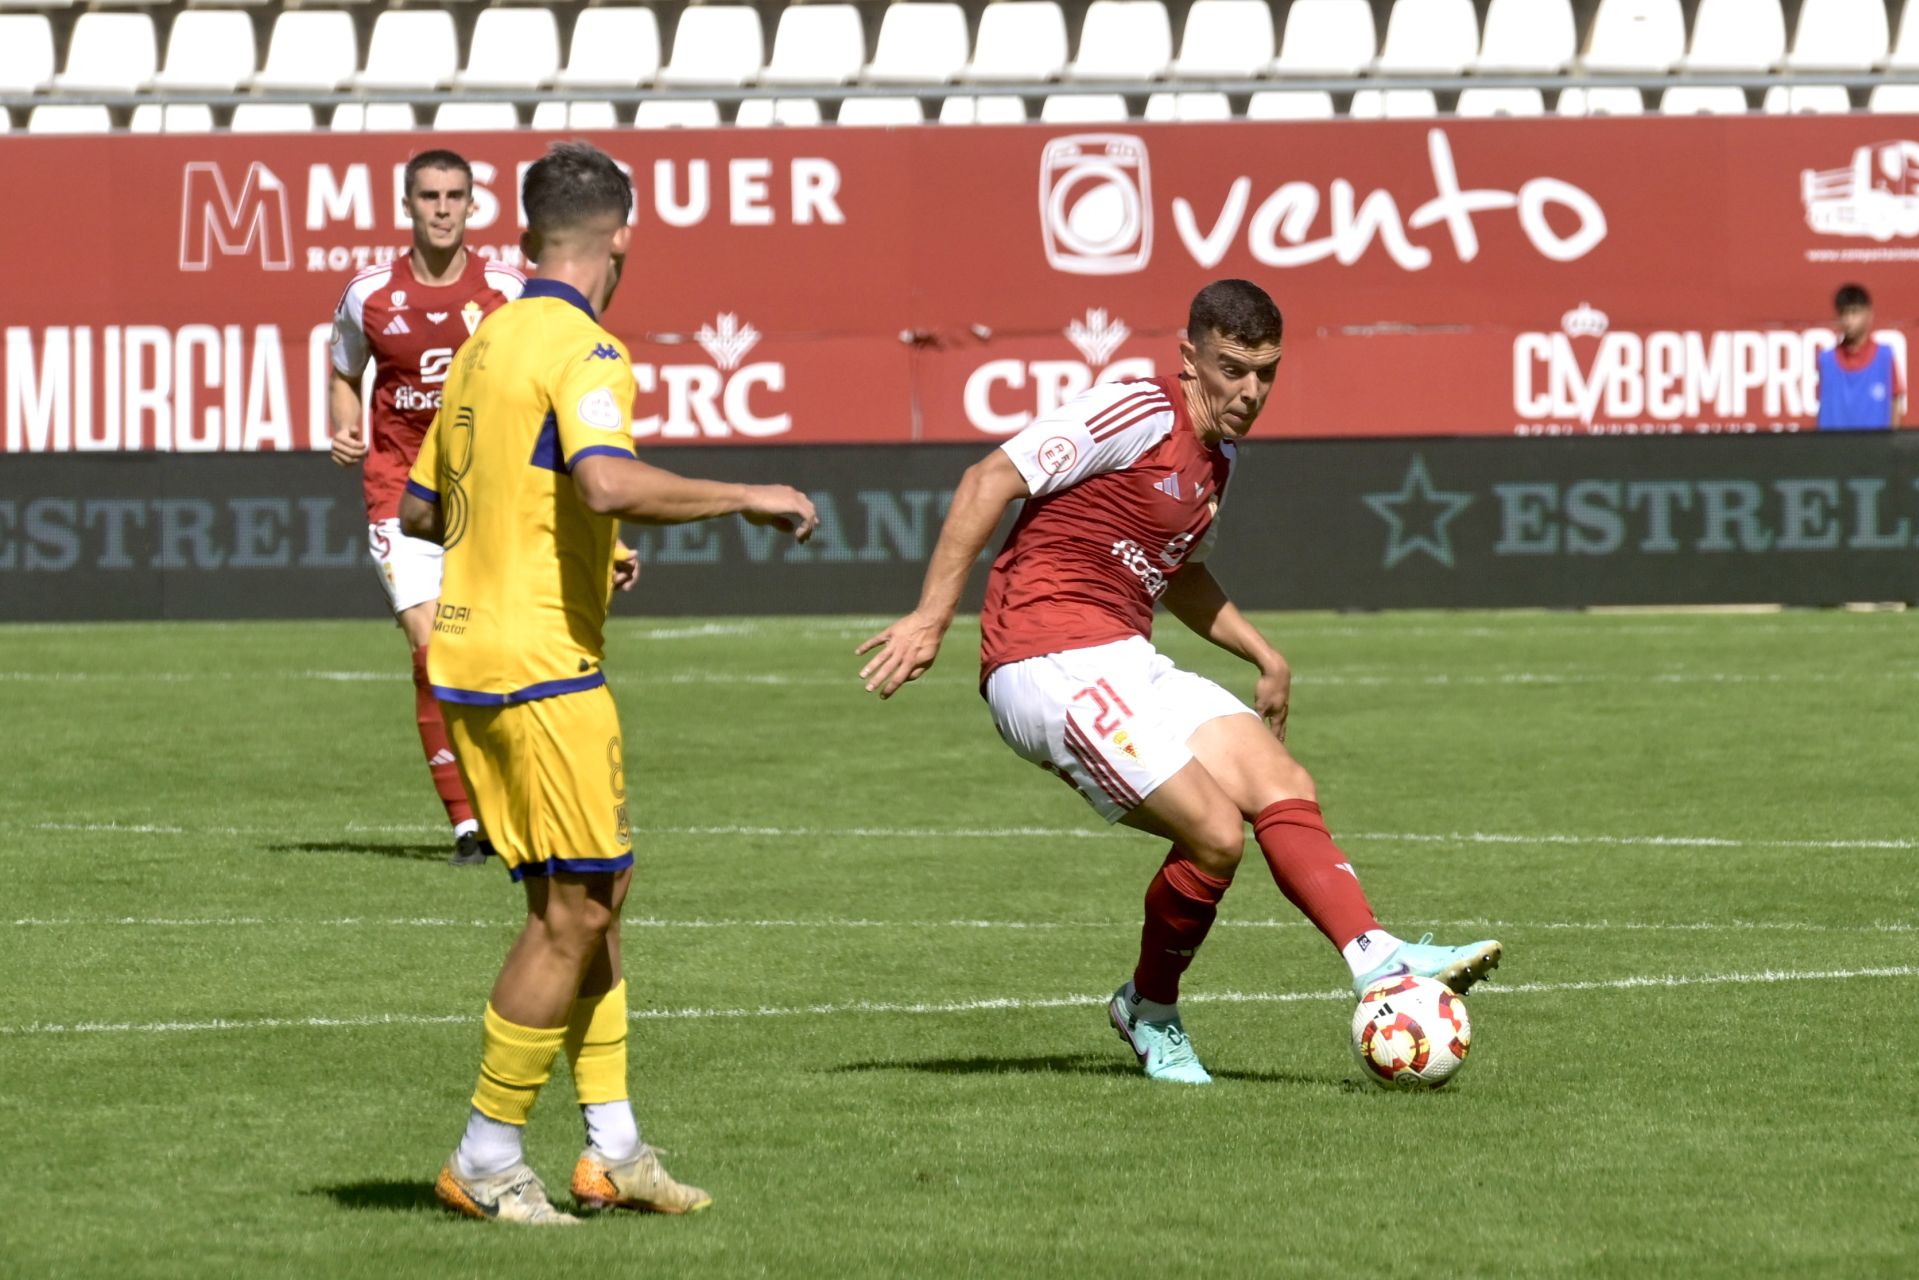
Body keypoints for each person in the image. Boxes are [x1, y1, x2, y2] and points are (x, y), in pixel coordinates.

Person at [856, 279, 1501, 1086]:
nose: (1251, 391)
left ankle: (1377, 958)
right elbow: (990, 479)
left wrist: (1264, 655)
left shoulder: (1218, 458)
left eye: (1266, 372)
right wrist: (930, 617)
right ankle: (1151, 1010)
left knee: (1279, 780)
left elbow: (1182, 574)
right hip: (1042, 661)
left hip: (1125, 657)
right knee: (1215, 834)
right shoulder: (1133, 412)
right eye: (1233, 368)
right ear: (1189, 355)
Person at [399, 141, 820, 1224]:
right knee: (570, 910)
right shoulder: (586, 345)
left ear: (527, 231)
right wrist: (745, 493)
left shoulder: (486, 337)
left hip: (469, 653)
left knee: (596, 896)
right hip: (541, 668)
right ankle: (486, 1156)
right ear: (622, 233)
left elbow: (419, 509)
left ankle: (612, 1147)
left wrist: (572, 549)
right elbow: (602, 478)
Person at [330, 149, 524, 866]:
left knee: (493, 656)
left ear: (473, 206)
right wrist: (344, 425)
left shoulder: (508, 289)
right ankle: (468, 825)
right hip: (397, 495)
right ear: (407, 206)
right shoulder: (368, 294)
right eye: (429, 196)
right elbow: (345, 369)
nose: (442, 208)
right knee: (433, 653)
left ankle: (508, 801)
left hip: (487, 499)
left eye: (454, 196)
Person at [1816, 283, 1905, 430]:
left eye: (1854, 312)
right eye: (1843, 313)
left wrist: (1891, 447)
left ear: (1869, 314)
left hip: (1876, 450)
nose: (1848, 320)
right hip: (1834, 450)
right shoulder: (1826, 360)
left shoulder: (1885, 357)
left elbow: (1895, 403)